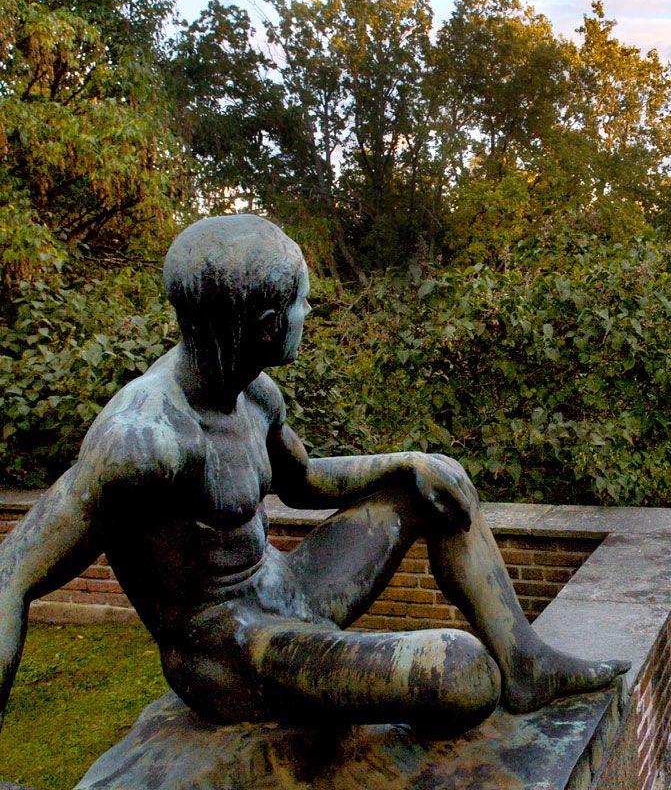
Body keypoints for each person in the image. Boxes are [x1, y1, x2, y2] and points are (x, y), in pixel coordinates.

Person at [0, 215, 627, 738]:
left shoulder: (254, 394)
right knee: (460, 672)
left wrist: (408, 462)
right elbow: (12, 574)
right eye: (303, 302)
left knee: (437, 484)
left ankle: (527, 664)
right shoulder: (144, 440)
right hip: (239, 654)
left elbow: (302, 482)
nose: (310, 312)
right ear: (268, 325)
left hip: (291, 589)